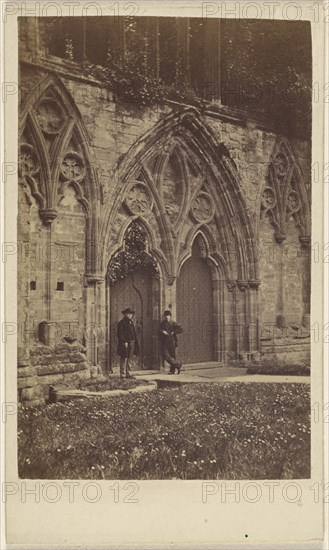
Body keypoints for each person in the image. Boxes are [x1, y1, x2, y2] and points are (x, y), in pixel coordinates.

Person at [117, 307, 140, 379]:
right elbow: (120, 334)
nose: (130, 315)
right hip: (125, 343)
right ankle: (123, 374)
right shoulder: (121, 323)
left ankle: (128, 373)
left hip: (132, 342)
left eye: (131, 314)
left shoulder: (131, 322)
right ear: (125, 314)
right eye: (128, 314)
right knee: (124, 357)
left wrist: (134, 341)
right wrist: (124, 341)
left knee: (130, 358)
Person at [159, 310, 183, 374]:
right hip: (164, 342)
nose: (167, 317)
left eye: (168, 315)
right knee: (165, 355)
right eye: (166, 316)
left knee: (173, 356)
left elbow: (181, 329)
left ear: (170, 316)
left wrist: (173, 332)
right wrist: (162, 331)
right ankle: (178, 365)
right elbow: (159, 330)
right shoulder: (162, 323)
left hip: (172, 341)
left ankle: (172, 371)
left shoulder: (173, 323)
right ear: (164, 316)